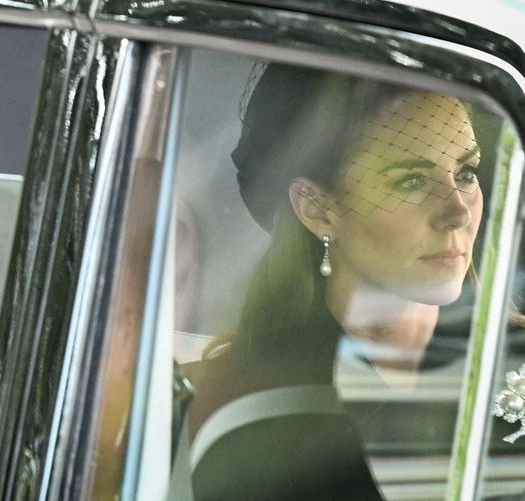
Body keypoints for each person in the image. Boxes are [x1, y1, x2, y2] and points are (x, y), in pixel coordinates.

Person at [184, 62, 484, 500]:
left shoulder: (510, 358)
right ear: (318, 209)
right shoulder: (246, 408)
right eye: (412, 180)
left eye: (466, 173)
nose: (458, 211)